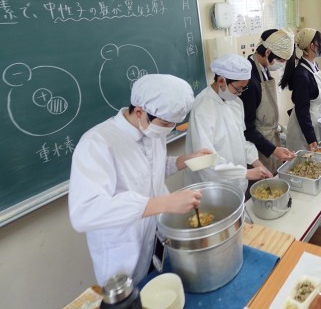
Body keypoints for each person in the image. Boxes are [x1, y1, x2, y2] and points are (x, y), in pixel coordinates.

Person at [68, 74, 213, 286]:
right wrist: (164, 203)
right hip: (124, 252)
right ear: (139, 111)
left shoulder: (152, 132)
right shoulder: (96, 143)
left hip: (156, 238)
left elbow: (150, 171)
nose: (168, 129)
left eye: (173, 124)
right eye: (165, 123)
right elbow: (85, 211)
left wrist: (184, 160)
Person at [184, 54, 272, 194]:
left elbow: (241, 140)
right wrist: (245, 173)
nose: (240, 93)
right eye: (238, 88)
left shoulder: (235, 102)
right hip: (211, 187)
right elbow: (204, 161)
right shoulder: (202, 108)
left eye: (243, 88)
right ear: (221, 81)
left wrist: (257, 163)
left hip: (236, 181)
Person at [239, 29, 296, 174]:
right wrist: (273, 149)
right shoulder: (249, 79)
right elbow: (247, 129)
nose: (282, 64)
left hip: (271, 140)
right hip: (257, 147)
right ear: (268, 52)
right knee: (263, 182)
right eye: (281, 60)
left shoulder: (264, 69)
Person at [281, 28, 321, 152]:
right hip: (303, 130)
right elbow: (302, 110)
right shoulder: (301, 74)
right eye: (320, 42)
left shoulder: (314, 66)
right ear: (312, 46)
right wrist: (310, 139)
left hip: (314, 120)